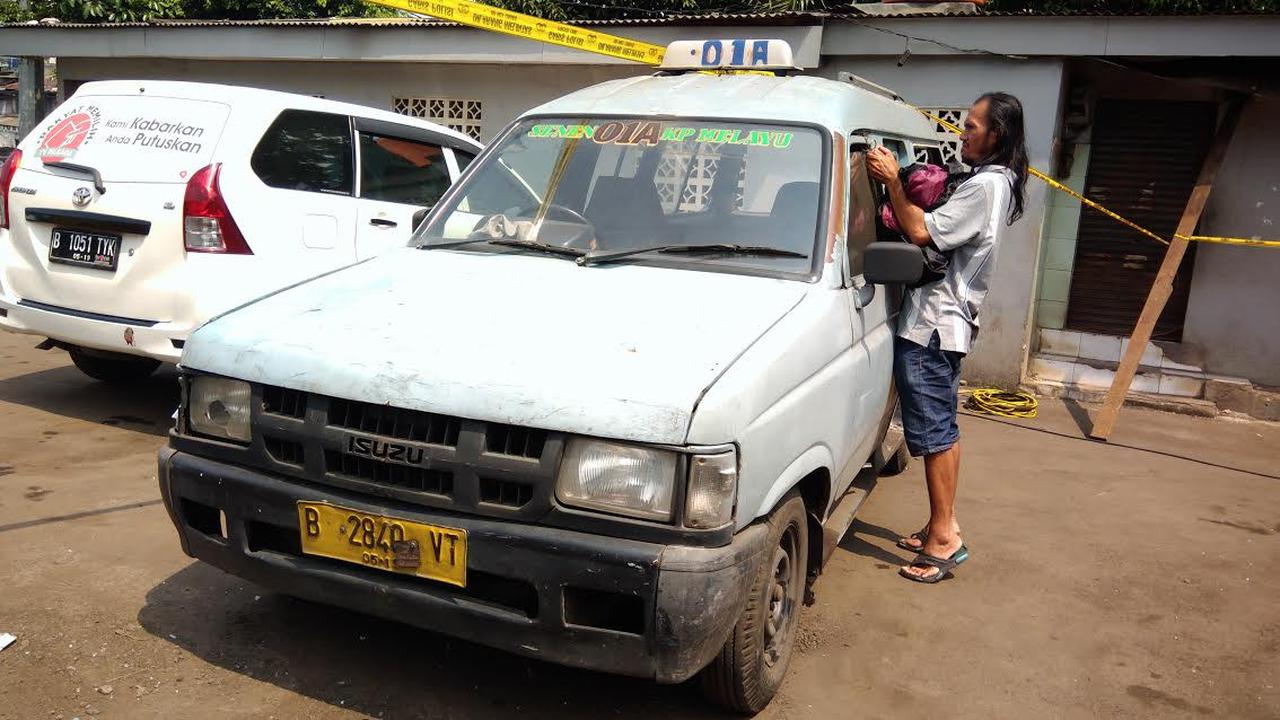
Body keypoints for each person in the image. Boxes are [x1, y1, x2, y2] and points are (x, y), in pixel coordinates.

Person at [866, 92, 1028, 584]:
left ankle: (943, 541)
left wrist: (894, 182)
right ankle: (944, 523)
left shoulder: (984, 187)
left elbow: (920, 231)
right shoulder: (997, 181)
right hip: (946, 325)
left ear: (997, 134)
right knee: (944, 431)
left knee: (934, 435)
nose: (963, 134)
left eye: (972, 127)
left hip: (933, 327)